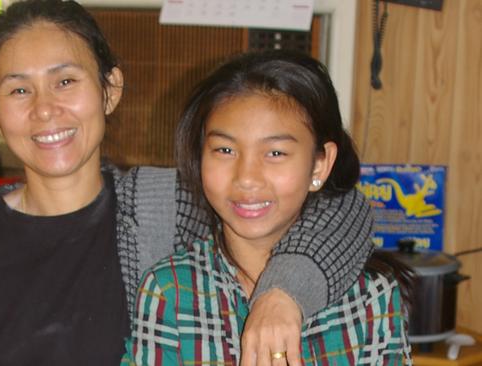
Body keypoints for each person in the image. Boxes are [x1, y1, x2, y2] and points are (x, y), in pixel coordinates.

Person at [0, 1, 375, 365]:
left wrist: (283, 292)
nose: (44, 109)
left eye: (65, 82)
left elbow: (341, 208)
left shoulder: (166, 206)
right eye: (19, 90)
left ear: (110, 90)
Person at [123, 50, 413, 365]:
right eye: (224, 149)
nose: (246, 178)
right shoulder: (169, 291)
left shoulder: (370, 296)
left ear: (320, 164)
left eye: (275, 153)